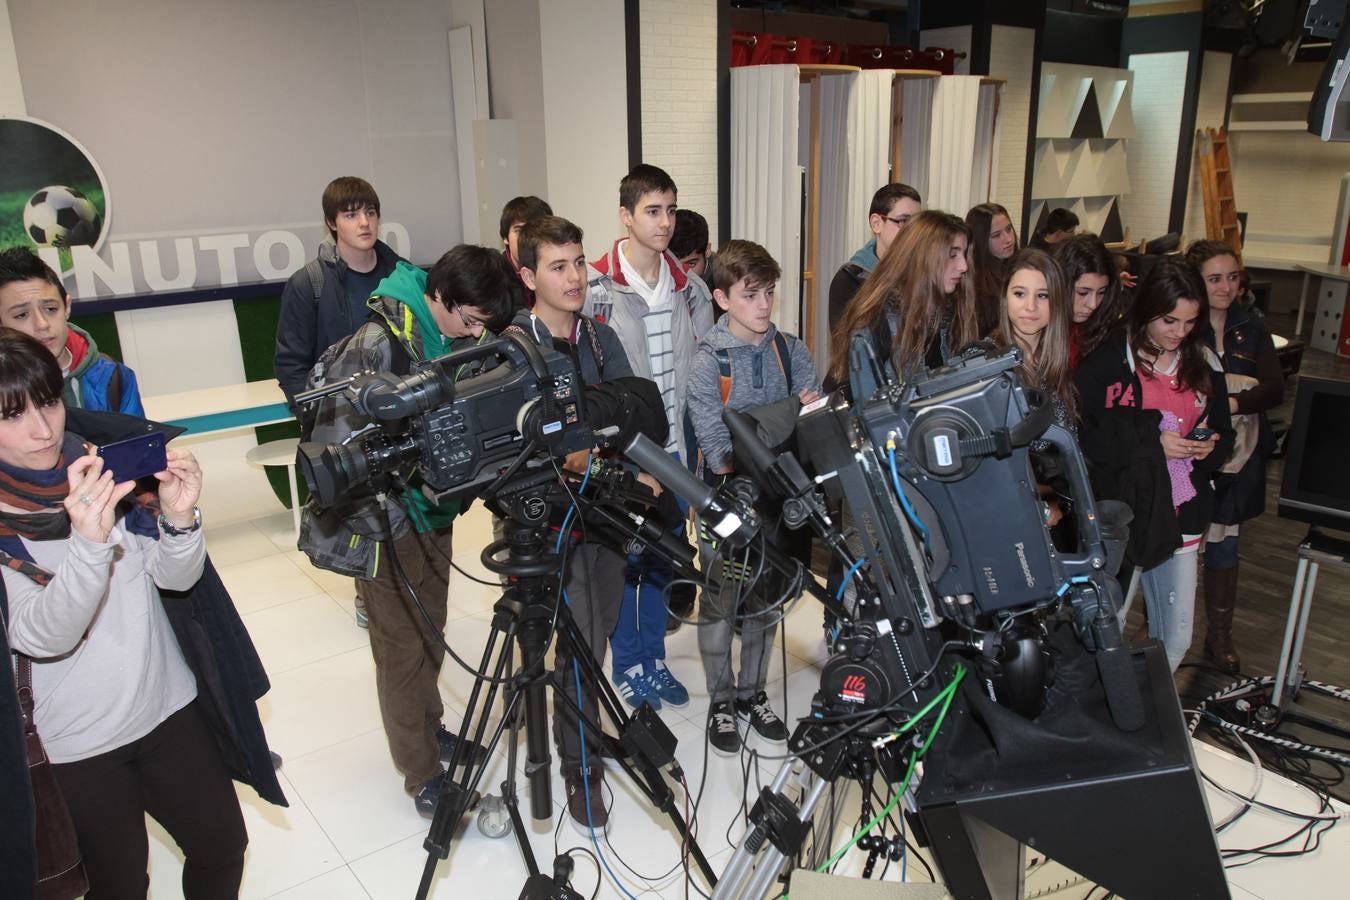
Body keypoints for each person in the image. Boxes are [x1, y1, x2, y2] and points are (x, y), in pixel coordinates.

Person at [0, 331, 270, 896]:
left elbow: (175, 579)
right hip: (76, 745)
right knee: (121, 887)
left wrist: (179, 518)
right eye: (12, 415)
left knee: (223, 848)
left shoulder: (100, 469)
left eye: (48, 402)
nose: (44, 430)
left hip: (167, 705)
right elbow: (41, 635)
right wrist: (89, 545)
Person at [305, 246, 517, 816]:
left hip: (434, 513)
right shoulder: (378, 345)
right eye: (469, 320)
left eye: (484, 326)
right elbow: (347, 453)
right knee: (400, 649)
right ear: (439, 298)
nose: (476, 335)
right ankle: (422, 774)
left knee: (431, 631)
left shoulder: (447, 335)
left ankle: (430, 728)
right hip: (382, 524)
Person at [508, 215, 637, 832]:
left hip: (604, 512)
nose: (576, 277)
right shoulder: (512, 349)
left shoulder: (599, 340)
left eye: (580, 263)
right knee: (578, 644)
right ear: (528, 275)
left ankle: (580, 732)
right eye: (559, 266)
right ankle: (579, 767)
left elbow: (632, 412)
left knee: (598, 633)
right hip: (547, 525)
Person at [584, 164, 714, 711]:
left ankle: (654, 659)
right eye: (652, 211)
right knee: (627, 559)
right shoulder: (595, 290)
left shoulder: (691, 290)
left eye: (670, 210)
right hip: (626, 454)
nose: (664, 223)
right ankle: (628, 663)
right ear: (626, 216)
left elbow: (705, 370)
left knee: (665, 556)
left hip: (676, 449)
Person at [687, 240, 818, 754]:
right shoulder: (708, 365)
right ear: (721, 298)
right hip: (726, 500)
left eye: (768, 293)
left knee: (767, 603)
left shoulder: (792, 350)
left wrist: (771, 424)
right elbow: (719, 450)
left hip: (780, 499)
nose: (763, 305)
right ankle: (721, 702)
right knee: (721, 604)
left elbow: (815, 420)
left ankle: (751, 693)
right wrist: (788, 412)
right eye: (750, 295)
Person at [1075, 259, 1234, 672]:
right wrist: (1151, 443)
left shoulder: (1203, 361)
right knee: (1107, 630)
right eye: (1169, 320)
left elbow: (1223, 435)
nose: (1178, 333)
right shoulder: (1107, 358)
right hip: (1123, 513)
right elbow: (1087, 435)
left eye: (1189, 322)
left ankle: (1146, 720)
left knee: (1175, 641)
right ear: (1146, 310)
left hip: (1182, 514)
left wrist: (1210, 448)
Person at [1185, 239, 1283, 673]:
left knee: (1225, 547)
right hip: (1190, 454)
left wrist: (1229, 405)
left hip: (1241, 454)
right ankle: (1157, 631)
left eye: (1233, 277)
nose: (1226, 286)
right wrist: (1237, 396)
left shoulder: (1253, 325)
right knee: (1176, 544)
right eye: (1215, 278)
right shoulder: (1182, 325)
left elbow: (1273, 389)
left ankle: (1219, 636)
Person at [273, 176, 405, 408]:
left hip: (399, 410)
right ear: (331, 223)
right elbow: (291, 367)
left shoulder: (402, 274)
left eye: (371, 212)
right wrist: (315, 419)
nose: (364, 223)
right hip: (338, 417)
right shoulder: (308, 283)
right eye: (351, 215)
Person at [827, 210, 976, 400]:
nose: (964, 266)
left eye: (963, 255)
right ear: (921, 257)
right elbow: (873, 417)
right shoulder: (875, 321)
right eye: (953, 255)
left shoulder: (947, 310)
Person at [0, 247, 144, 416]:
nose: (42, 324)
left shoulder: (112, 376)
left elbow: (139, 441)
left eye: (51, 309)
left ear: (67, 307)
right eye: (22, 315)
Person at [989, 248, 1076, 437]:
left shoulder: (1054, 361)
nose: (1030, 306)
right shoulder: (983, 359)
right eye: (1020, 293)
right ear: (1005, 298)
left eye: (1043, 296)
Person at [827, 183, 923, 330]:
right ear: (876, 223)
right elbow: (847, 345)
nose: (913, 232)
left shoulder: (928, 273)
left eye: (918, 224)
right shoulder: (850, 279)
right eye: (903, 221)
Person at [1054, 233, 1125, 369]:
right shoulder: (1037, 326)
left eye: (1101, 292)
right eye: (1083, 293)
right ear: (1060, 285)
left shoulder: (1103, 327)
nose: (1093, 304)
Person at [966, 202, 1019, 335]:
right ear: (980, 240)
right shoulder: (971, 282)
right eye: (996, 235)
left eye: (1009, 229)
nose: (1008, 239)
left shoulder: (1021, 267)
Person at [499, 195, 554, 308]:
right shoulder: (494, 277)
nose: (527, 238)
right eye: (519, 230)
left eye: (535, 229)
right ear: (505, 237)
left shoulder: (555, 270)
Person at [671, 208, 712, 282]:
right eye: (675, 266)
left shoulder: (725, 283)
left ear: (707, 251)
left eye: (691, 264)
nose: (683, 274)